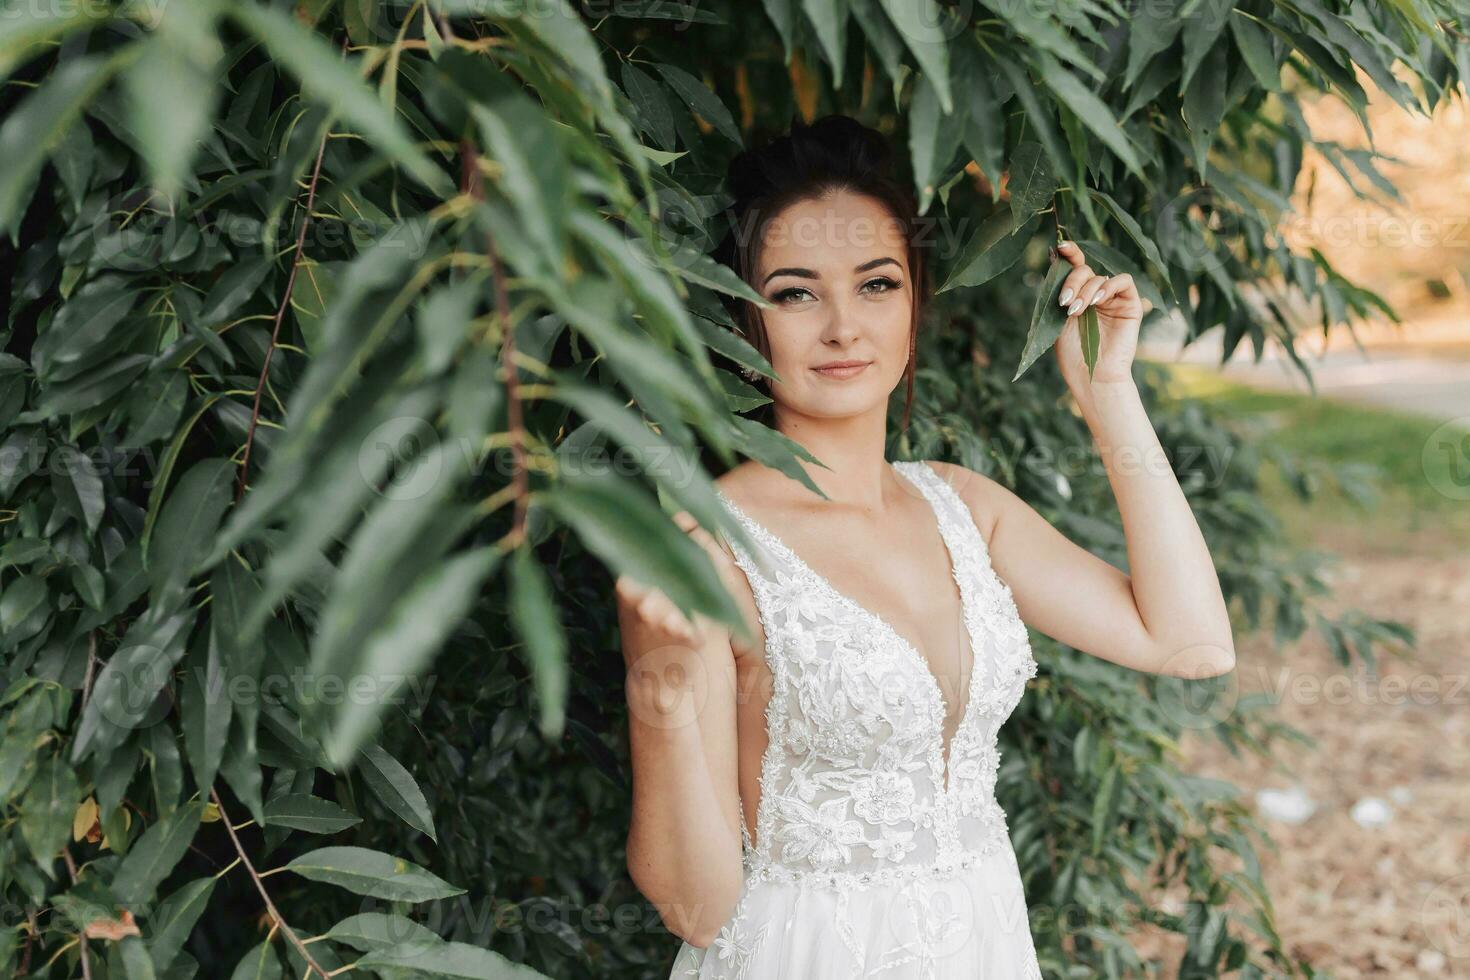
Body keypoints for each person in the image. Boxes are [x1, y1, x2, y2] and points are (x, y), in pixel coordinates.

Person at [616, 113, 1235, 978]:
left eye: (876, 285)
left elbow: (1190, 644)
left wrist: (1109, 394)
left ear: (915, 301)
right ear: (744, 319)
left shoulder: (962, 507)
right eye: (795, 292)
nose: (842, 327)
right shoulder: (706, 548)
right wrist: (667, 675)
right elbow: (696, 905)